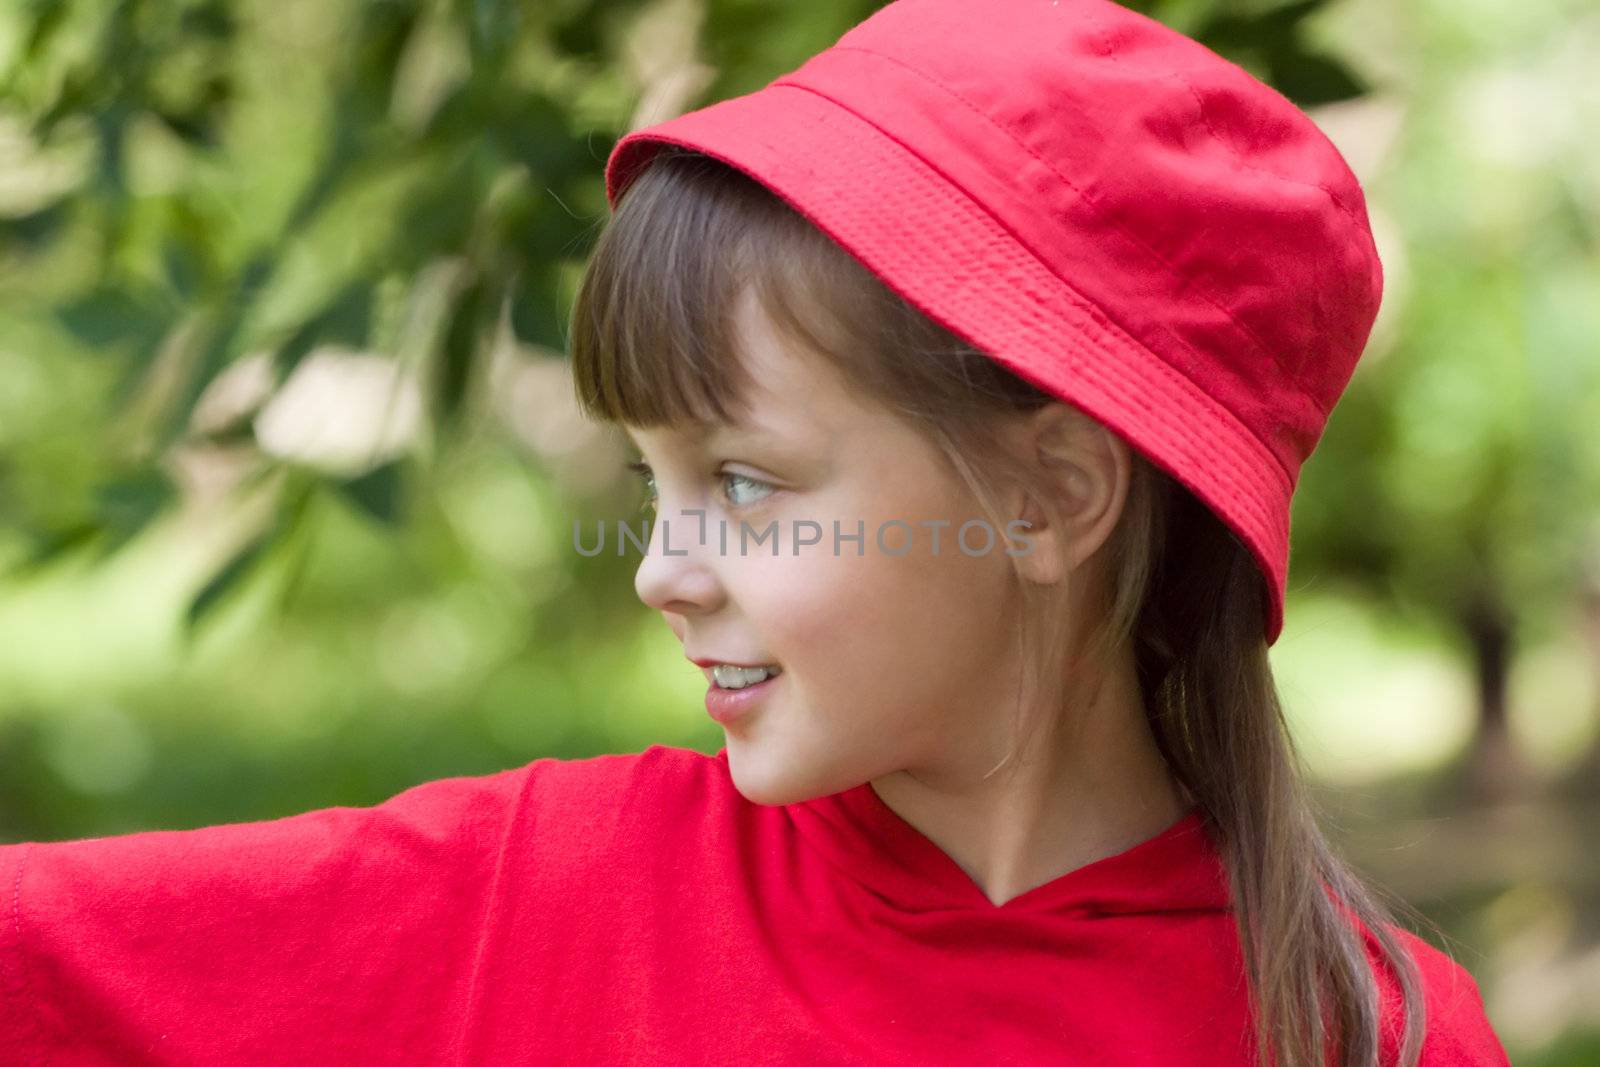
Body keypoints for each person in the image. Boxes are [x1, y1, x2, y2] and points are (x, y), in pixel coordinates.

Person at [0, 1, 1514, 1064]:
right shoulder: (543, 891)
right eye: (653, 484)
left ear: (1054, 496)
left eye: (744, 482)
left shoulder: (1370, 1039)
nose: (661, 571)